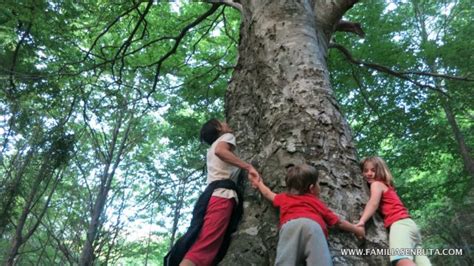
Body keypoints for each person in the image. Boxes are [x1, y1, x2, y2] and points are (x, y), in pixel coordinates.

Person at [164, 118, 260, 266]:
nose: (227, 123)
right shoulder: (226, 138)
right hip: (222, 196)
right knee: (204, 247)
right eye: (222, 122)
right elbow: (221, 151)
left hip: (212, 196)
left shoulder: (212, 148)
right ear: (218, 128)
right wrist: (248, 167)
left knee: (202, 241)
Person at [255, 164, 364, 266]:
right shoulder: (315, 201)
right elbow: (338, 222)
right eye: (318, 183)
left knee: (285, 262)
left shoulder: (284, 198)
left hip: (289, 227)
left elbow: (268, 194)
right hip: (312, 227)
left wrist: (259, 183)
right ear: (312, 188)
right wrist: (356, 230)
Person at [356, 156, 431, 266]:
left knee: (400, 259)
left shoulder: (376, 184)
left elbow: (373, 203)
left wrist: (362, 221)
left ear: (381, 171)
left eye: (373, 170)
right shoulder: (387, 186)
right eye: (365, 170)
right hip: (410, 225)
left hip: (400, 224)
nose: (369, 173)